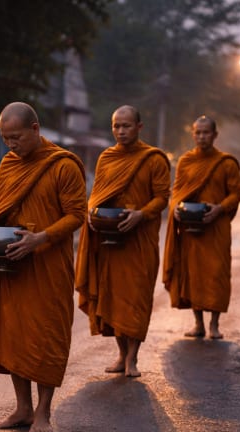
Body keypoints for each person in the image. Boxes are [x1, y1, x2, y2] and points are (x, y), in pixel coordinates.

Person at [0, 102, 87, 432]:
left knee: (46, 335)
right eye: (6, 138)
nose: (12, 145)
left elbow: (77, 216)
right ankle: (22, 408)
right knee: (13, 335)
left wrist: (39, 239)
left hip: (48, 264)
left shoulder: (62, 166)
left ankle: (43, 412)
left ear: (36, 130)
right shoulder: (9, 164)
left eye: (17, 137)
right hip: (12, 264)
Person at [75, 105, 170, 378]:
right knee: (113, 298)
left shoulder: (154, 159)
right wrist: (91, 213)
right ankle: (120, 354)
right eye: (116, 126)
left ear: (139, 127)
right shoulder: (106, 157)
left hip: (139, 240)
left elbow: (162, 197)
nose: (120, 131)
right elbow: (98, 194)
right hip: (110, 239)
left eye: (126, 126)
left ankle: (133, 358)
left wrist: (141, 214)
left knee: (137, 298)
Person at [162, 115, 240, 340]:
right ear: (193, 134)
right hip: (191, 228)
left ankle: (215, 325)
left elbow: (236, 193)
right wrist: (175, 208)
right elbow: (176, 191)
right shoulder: (186, 162)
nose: (201, 136)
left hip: (216, 227)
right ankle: (198, 323)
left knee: (216, 274)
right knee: (194, 274)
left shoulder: (226, 163)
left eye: (206, 132)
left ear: (215, 135)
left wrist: (219, 209)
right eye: (197, 132)